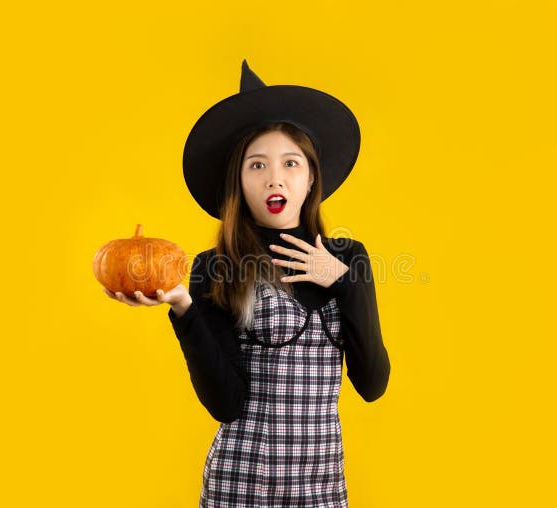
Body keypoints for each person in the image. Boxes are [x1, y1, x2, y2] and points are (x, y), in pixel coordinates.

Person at [104, 59, 390, 507]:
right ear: (238, 180)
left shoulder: (348, 259)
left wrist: (343, 283)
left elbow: (373, 384)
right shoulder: (215, 267)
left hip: (321, 490)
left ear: (311, 176)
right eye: (257, 165)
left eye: (290, 163)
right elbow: (226, 405)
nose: (275, 177)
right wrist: (184, 308)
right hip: (240, 485)